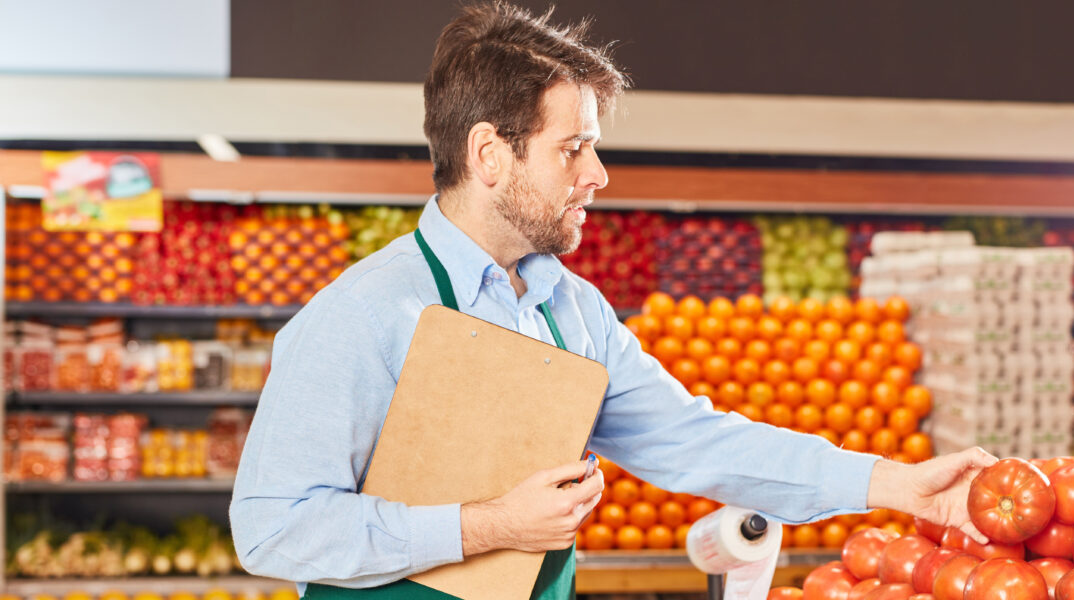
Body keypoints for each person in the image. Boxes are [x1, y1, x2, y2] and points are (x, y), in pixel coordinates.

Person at [229, 2, 997, 598]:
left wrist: (896, 485)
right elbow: (272, 528)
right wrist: (487, 526)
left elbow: (701, 443)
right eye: (572, 148)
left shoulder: (573, 312)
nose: (598, 174)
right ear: (490, 154)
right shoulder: (364, 314)